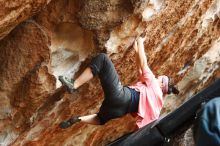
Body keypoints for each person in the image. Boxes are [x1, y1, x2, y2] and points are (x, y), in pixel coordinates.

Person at [58, 36, 179, 129]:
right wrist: (137, 51)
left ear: (162, 83)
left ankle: (73, 85)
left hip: (121, 96)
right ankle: (78, 119)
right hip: (119, 111)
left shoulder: (154, 85)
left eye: (159, 78)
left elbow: (144, 64)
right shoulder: (156, 104)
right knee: (100, 119)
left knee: (103, 59)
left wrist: (141, 41)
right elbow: (140, 70)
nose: (156, 77)